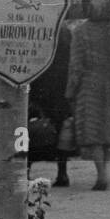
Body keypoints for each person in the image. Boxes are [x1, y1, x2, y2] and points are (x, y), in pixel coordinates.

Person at [66, 5, 110, 190]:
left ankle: (101, 176)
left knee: (94, 132)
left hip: (90, 85)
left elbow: (76, 65)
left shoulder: (81, 31)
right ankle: (109, 174)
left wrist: (70, 90)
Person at [28, 21, 74, 186]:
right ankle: (62, 173)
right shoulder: (66, 31)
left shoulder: (38, 27)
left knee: (32, 126)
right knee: (61, 130)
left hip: (40, 84)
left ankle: (27, 170)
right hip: (61, 87)